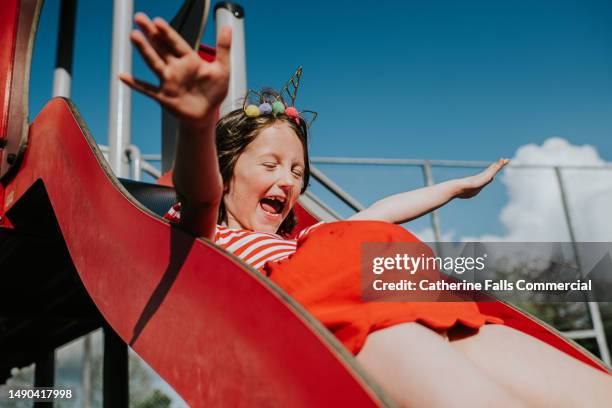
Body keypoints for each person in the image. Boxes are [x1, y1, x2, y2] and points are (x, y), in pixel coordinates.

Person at [120, 13, 612, 407]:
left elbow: (380, 213)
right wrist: (197, 124)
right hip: (332, 317)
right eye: (270, 164)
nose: (288, 181)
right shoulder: (209, 236)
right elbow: (200, 192)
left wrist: (456, 187)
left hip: (405, 295)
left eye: (296, 171)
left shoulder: (298, 242)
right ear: (226, 172)